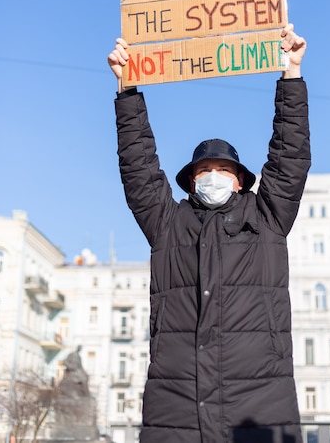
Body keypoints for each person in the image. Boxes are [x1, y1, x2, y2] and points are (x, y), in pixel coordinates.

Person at [108, 24, 311, 443]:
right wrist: (127, 90)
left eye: (223, 170)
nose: (213, 176)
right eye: (204, 170)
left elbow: (289, 156)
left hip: (258, 401)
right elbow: (139, 168)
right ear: (190, 182)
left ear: (240, 181)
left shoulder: (268, 217)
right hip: (177, 402)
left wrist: (290, 74)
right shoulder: (168, 223)